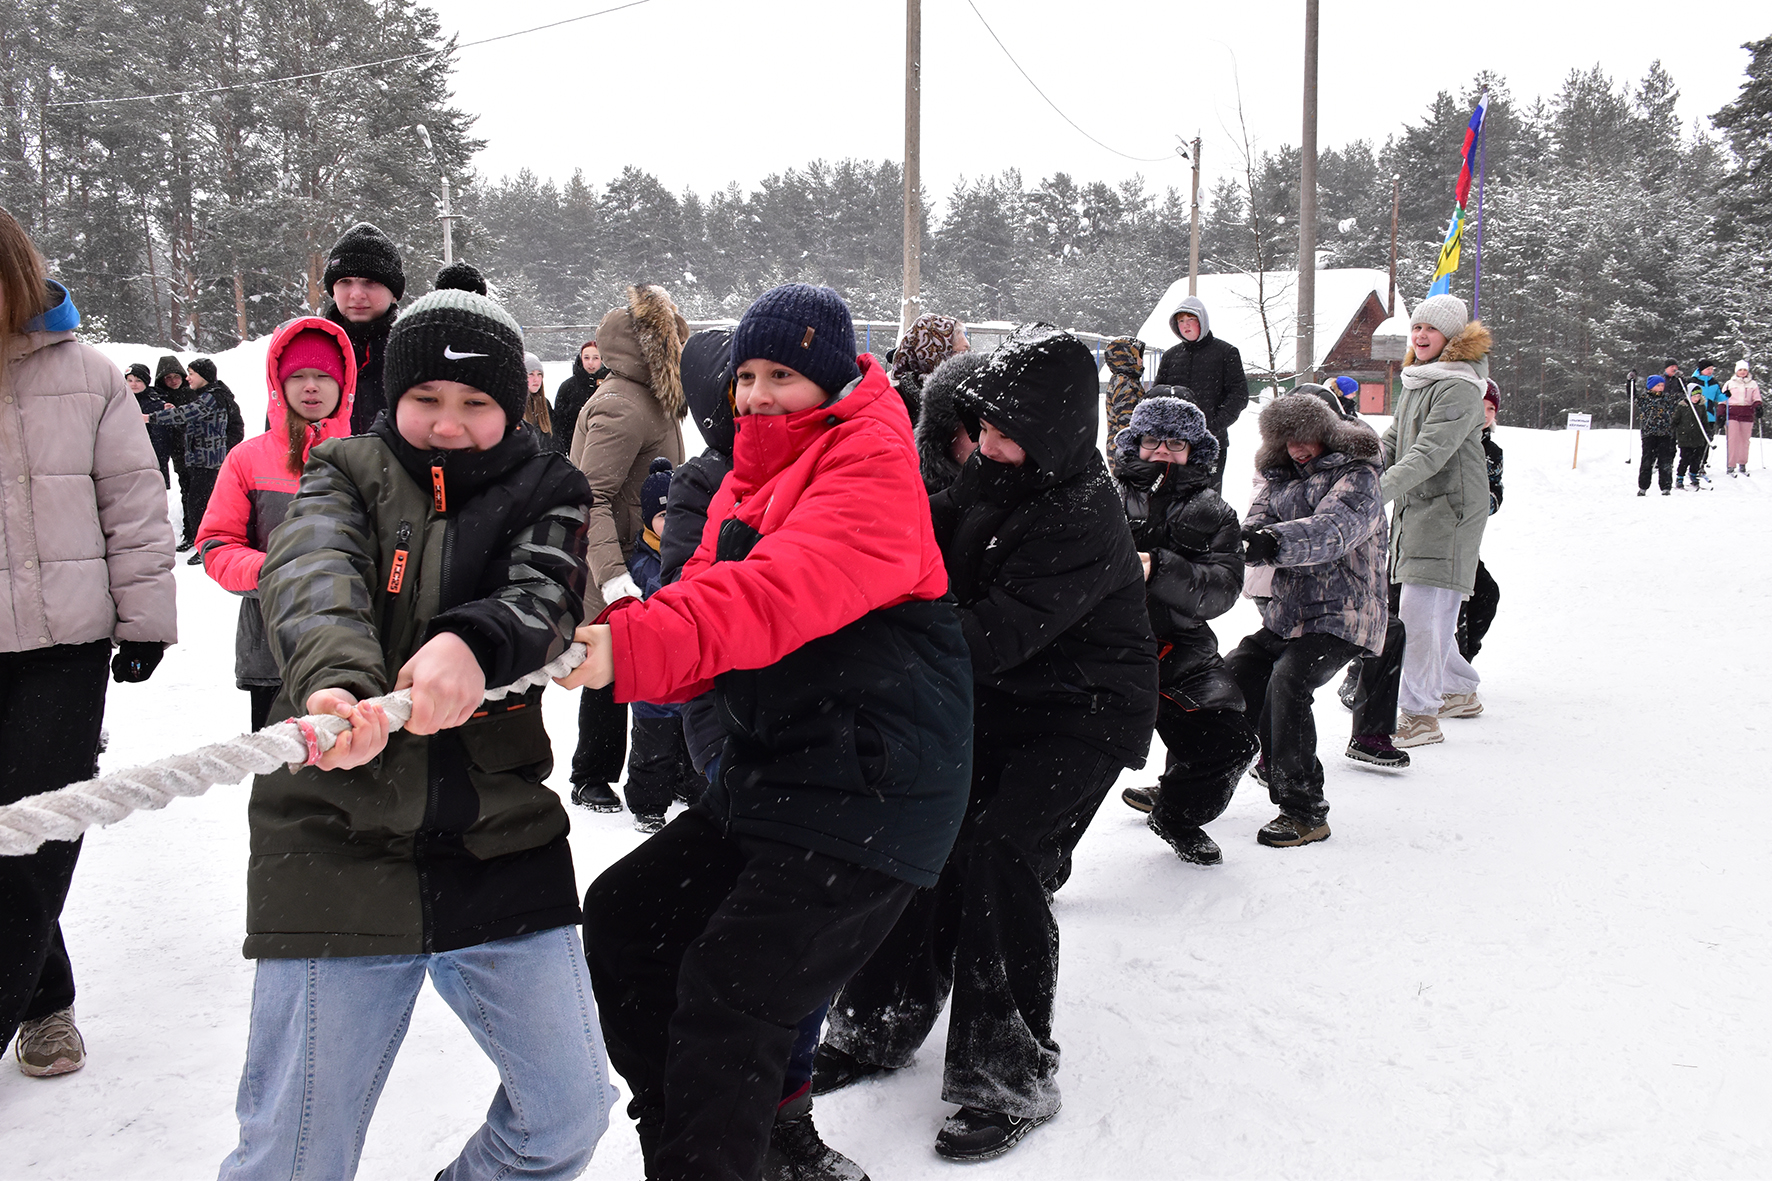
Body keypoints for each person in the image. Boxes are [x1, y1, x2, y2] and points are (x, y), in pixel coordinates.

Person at [561, 283, 973, 1180]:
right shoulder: (748, 476)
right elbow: (703, 609)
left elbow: (773, 594)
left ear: (831, 379)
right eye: (745, 375)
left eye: (781, 375)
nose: (755, 394)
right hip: (779, 770)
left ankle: (718, 1154)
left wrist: (629, 648)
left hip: (872, 787)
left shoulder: (871, 467)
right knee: (630, 921)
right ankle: (707, 1145)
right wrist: (600, 643)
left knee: (733, 990)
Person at [218, 287, 613, 1180]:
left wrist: (473, 642)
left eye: (475, 401)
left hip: (498, 833)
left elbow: (546, 589)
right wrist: (337, 683)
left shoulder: (549, 484)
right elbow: (312, 570)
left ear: (512, 402)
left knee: (565, 1116)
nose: (448, 422)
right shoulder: (341, 469)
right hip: (333, 836)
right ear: (392, 396)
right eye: (426, 397)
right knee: (293, 1158)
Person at [817, 325, 1157, 1162]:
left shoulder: (1083, 512)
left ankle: (1010, 1073)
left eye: (1008, 433)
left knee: (1004, 851)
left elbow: (990, 635)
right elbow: (925, 533)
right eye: (986, 429)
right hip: (1005, 699)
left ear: (1056, 432)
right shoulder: (997, 470)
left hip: (1084, 711)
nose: (988, 446)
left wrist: (872, 636)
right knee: (926, 832)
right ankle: (878, 1020)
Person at [1, 207, 178, 1079]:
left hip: (61, 643)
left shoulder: (90, 376)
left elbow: (134, 502)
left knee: (39, 830)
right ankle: (45, 996)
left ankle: (21, 1005)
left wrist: (143, 619)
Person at [1231, 389, 1387, 846]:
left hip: (1347, 612)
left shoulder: (1358, 474)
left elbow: (1334, 530)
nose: (1297, 448)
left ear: (1328, 431)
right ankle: (1192, 784)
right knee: (1230, 677)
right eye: (1287, 439)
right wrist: (1231, 541)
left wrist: (1271, 542)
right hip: (1290, 614)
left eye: (1305, 436)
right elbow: (1254, 522)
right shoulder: (1279, 476)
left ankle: (1304, 810)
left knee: (1290, 680)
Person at [1111, 392, 1256, 865]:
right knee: (1073, 761)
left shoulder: (1215, 512)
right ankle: (1041, 864)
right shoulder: (1101, 494)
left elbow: (1223, 589)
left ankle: (1176, 815)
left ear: (1195, 450)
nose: (1162, 451)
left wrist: (1160, 568)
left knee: (1232, 744)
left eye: (1176, 443)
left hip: (1180, 648)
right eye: (1152, 440)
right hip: (1100, 648)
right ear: (1135, 442)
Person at [195, 317, 358, 730]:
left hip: (356, 652)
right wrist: (275, 572)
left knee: (353, 763)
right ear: (278, 385)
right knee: (280, 764)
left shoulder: (369, 459)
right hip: (272, 651)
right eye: (297, 376)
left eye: (323, 376)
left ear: (344, 384)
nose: (311, 387)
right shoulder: (247, 459)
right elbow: (216, 545)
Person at [565, 284, 688, 813]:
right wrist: (613, 575)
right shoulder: (622, 405)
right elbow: (589, 496)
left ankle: (671, 770)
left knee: (646, 664)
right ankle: (592, 773)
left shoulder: (649, 399)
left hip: (646, 555)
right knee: (609, 666)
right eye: (671, 342)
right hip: (617, 563)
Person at [1381, 294, 1490, 749]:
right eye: (1416, 327)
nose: (1420, 335)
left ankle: (1421, 715)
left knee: (1421, 613)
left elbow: (1429, 452)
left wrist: (1376, 492)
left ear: (1452, 338)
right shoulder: (1418, 379)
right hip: (1419, 504)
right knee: (1429, 611)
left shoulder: (1459, 386)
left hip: (1449, 508)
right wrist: (1357, 468)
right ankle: (1458, 689)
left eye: (1431, 329)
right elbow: (1393, 439)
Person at [619, 456, 700, 832]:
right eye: (663, 516)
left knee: (694, 743)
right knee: (652, 748)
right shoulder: (641, 566)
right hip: (654, 680)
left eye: (677, 515)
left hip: (691, 674)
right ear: (648, 519)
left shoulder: (695, 556)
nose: (671, 523)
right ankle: (648, 804)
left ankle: (697, 794)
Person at [1153, 295, 1251, 492]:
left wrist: (1213, 425)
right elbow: (1158, 396)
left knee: (1207, 498)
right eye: (1181, 321)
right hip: (1174, 444)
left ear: (1202, 321)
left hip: (1211, 443)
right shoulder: (1171, 356)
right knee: (1172, 497)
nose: (1186, 325)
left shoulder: (1226, 353)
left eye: (1191, 319)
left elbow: (1239, 395)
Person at [319, 221, 404, 435]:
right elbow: (282, 435)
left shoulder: (414, 350)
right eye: (345, 281)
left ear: (394, 293)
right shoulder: (309, 350)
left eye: (370, 282)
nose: (357, 294)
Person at [147, 360, 235, 564]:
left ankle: (206, 547)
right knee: (196, 503)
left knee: (200, 506)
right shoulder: (209, 395)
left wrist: (150, 418)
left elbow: (185, 414)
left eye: (191, 373)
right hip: (199, 460)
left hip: (208, 462)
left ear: (203, 376)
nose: (188, 378)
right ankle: (200, 542)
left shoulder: (212, 397)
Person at [1456, 382, 1505, 662]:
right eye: (1480, 406)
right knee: (1402, 605)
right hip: (1430, 539)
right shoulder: (1450, 439)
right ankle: (1363, 673)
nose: (1485, 414)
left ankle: (1462, 662)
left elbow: (1496, 491)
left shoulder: (1492, 452)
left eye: (1491, 409)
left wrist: (1483, 503)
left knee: (1485, 595)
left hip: (1465, 544)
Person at [912, 349, 988, 495]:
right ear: (945, 434)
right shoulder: (916, 496)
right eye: (978, 427)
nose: (986, 443)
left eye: (1002, 432)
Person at [890, 310, 969, 422]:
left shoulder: (967, 393)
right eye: (958, 353)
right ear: (933, 354)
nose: (964, 361)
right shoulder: (895, 403)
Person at [152, 354, 195, 541]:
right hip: (175, 451)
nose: (173, 381)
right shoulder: (158, 398)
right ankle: (189, 532)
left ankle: (196, 532)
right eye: (168, 378)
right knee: (186, 490)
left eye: (176, 376)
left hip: (195, 450)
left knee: (196, 493)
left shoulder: (193, 394)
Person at [1102, 336, 1147, 478]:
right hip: (1126, 452)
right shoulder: (1124, 382)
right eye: (1138, 356)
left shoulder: (1127, 380)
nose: (1141, 360)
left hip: (1122, 449)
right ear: (1126, 356)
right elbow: (1127, 423)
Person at [551, 337, 605, 447]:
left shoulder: (610, 384)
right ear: (581, 359)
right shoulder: (567, 387)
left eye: (595, 358)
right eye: (586, 358)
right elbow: (559, 423)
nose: (590, 363)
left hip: (605, 445)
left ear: (602, 359)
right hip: (574, 446)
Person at [1635, 374, 1680, 496]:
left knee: (1665, 461)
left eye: (1662, 385)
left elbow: (1680, 396)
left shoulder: (1667, 398)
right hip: (1648, 433)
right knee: (1647, 460)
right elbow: (1632, 395)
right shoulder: (1644, 398)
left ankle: (1666, 486)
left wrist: (1681, 381)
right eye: (1658, 385)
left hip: (1665, 433)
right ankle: (1643, 486)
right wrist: (1630, 382)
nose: (1661, 388)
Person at [124, 362, 169, 486]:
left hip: (149, 458)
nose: (133, 384)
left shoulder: (156, 403)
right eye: (129, 380)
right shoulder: (120, 400)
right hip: (125, 457)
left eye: (138, 380)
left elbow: (161, 438)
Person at [1721, 360, 1762, 476]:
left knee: (1744, 440)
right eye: (1740, 370)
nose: (1743, 372)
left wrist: (1758, 406)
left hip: (1747, 414)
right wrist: (1721, 413)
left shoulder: (1753, 384)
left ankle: (1742, 463)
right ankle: (1731, 464)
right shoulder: (1730, 383)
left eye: (1745, 370)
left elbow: (1756, 398)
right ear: (1736, 371)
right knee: (1733, 439)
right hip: (1732, 413)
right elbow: (1722, 399)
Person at [1673, 381, 1712, 491]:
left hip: (1698, 438)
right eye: (1694, 396)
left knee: (1696, 459)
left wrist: (1708, 433)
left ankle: (1693, 475)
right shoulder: (1682, 407)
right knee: (1685, 459)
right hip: (1685, 438)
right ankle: (1680, 477)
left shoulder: (1701, 407)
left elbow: (1705, 422)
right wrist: (1673, 432)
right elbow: (1675, 420)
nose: (1696, 398)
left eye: (1698, 396)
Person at [521, 350, 563, 452]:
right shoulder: (515, 406)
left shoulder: (545, 403)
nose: (536, 379)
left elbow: (555, 440)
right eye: (531, 374)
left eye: (539, 374)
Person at [1691, 360, 1726, 433]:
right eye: (1708, 369)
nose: (1710, 371)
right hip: (1695, 414)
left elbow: (1717, 397)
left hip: (1709, 415)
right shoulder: (1693, 381)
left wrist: (1726, 395)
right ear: (1702, 370)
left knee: (1708, 436)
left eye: (1712, 369)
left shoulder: (1714, 382)